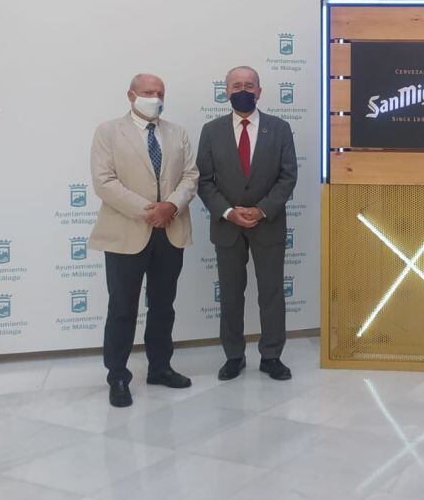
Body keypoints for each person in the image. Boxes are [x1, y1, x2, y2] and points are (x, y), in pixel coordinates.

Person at [90, 73, 199, 408]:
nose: (155, 97)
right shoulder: (108, 132)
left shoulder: (177, 132)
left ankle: (160, 367)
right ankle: (118, 376)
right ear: (131, 95)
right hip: (127, 233)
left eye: (160, 92)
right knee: (122, 307)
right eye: (148, 92)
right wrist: (148, 210)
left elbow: (190, 176)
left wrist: (171, 206)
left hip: (171, 230)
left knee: (163, 305)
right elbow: (104, 181)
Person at [197, 66, 298, 381]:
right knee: (230, 294)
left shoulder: (279, 128)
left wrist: (262, 209)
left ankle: (271, 356)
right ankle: (234, 356)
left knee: (271, 293)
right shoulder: (211, 130)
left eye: (249, 85)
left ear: (259, 91)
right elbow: (204, 180)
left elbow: (288, 176)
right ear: (226, 91)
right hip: (227, 226)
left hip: (268, 224)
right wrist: (229, 212)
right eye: (236, 85)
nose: (243, 90)